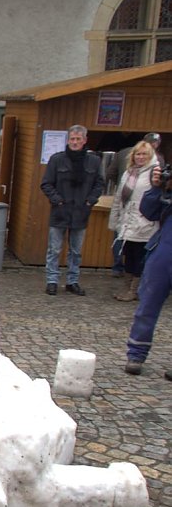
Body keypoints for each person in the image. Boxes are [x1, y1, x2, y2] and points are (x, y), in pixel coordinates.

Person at [40, 124, 104, 296]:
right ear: (68, 140)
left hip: (81, 212)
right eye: (72, 139)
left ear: (84, 140)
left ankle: (72, 281)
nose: (75, 142)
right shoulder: (57, 159)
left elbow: (99, 184)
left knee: (75, 251)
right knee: (54, 249)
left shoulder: (94, 161)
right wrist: (57, 200)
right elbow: (46, 183)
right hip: (60, 211)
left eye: (78, 139)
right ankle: (52, 280)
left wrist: (90, 201)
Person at [124, 165, 170, 379]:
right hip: (164, 249)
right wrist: (157, 188)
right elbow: (149, 211)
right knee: (147, 304)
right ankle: (136, 355)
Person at [108, 141, 159, 302]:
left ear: (150, 156)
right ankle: (127, 287)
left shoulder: (154, 173)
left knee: (140, 258)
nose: (141, 157)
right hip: (127, 222)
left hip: (145, 224)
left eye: (144, 154)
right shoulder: (128, 173)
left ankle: (135, 289)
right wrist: (114, 220)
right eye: (138, 154)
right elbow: (119, 198)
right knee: (128, 255)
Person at [105, 144, 133, 277]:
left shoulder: (121, 153)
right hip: (128, 209)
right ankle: (128, 271)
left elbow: (110, 173)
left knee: (120, 237)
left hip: (128, 208)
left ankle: (118, 267)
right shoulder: (158, 159)